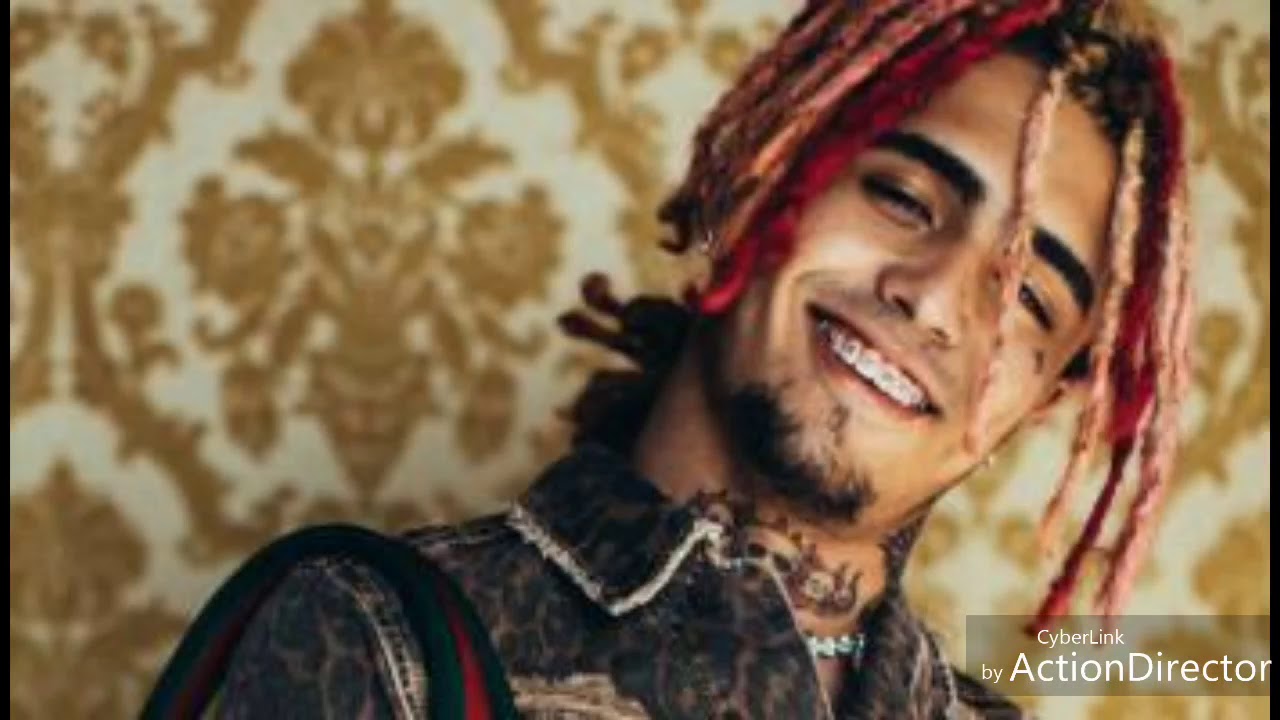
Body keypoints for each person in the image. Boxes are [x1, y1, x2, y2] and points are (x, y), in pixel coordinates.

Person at [214, 1, 1194, 717]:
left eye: (1026, 297)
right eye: (901, 198)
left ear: (1041, 400)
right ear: (761, 174)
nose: (935, 297)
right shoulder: (380, 633)